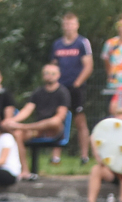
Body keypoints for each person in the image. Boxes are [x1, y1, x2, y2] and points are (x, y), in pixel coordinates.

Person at [2, 63, 71, 180]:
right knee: (18, 134)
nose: (49, 76)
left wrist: (19, 125)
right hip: (36, 129)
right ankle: (24, 170)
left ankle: (23, 127)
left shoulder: (63, 92)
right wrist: (11, 120)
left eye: (52, 73)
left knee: (54, 122)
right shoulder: (38, 92)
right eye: (46, 73)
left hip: (53, 130)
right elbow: (27, 110)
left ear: (58, 75)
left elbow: (60, 116)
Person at [50, 12, 93, 165]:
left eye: (72, 24)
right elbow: (53, 66)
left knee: (80, 121)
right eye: (66, 24)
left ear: (77, 25)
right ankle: (55, 156)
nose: (69, 27)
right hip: (60, 88)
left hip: (76, 88)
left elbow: (88, 66)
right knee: (57, 120)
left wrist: (77, 83)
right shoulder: (57, 44)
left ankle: (84, 156)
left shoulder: (82, 43)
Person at [86, 106, 122, 202]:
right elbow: (100, 160)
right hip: (112, 171)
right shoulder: (105, 136)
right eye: (119, 121)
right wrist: (94, 141)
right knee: (96, 169)